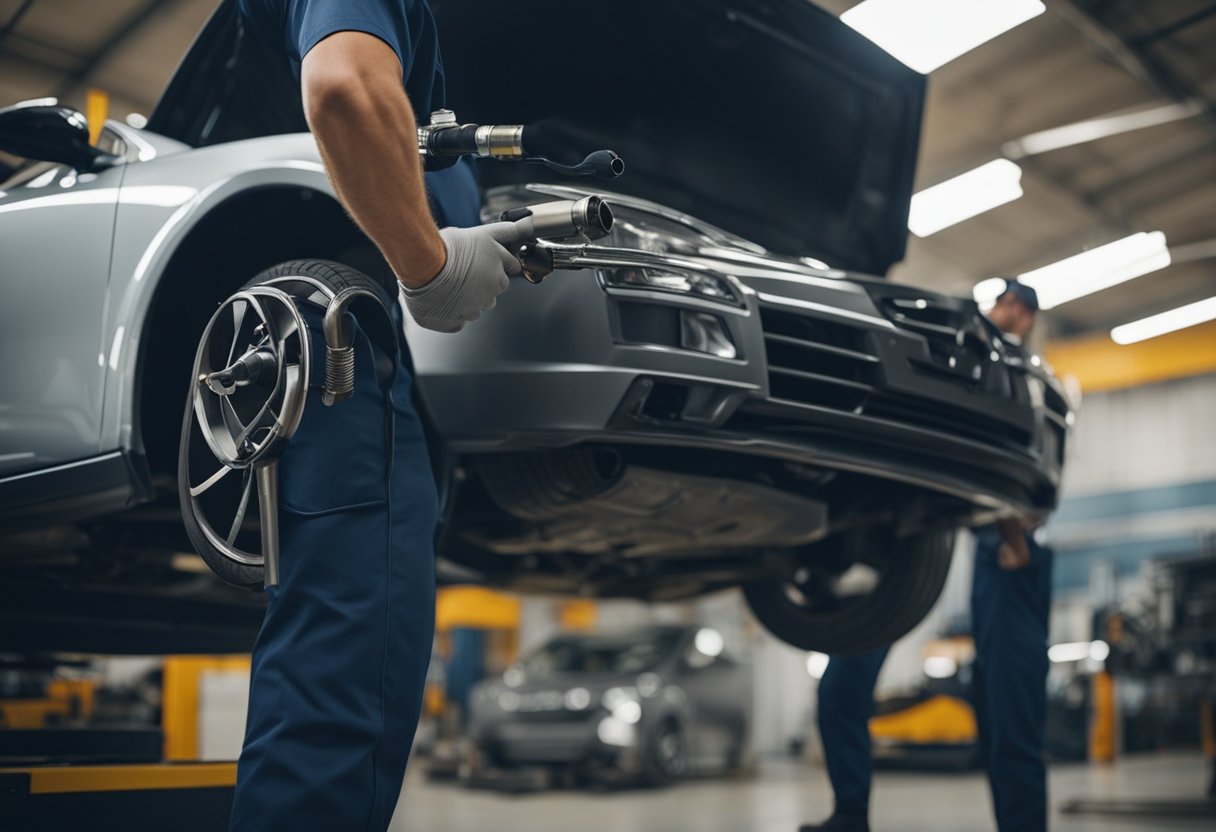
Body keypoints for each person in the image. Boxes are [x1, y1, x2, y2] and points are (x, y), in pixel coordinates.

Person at [228, 1, 524, 829]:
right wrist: (429, 266)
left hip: (368, 364)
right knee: (343, 682)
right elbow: (346, 89)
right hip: (340, 342)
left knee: (351, 663)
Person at [801, 280, 1054, 832]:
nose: (1009, 315)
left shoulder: (1020, 378)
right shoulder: (963, 351)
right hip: (909, 543)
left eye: (1019, 311)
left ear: (1027, 317)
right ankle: (849, 812)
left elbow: (1008, 471)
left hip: (1000, 552)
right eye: (1005, 306)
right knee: (841, 689)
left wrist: (1013, 538)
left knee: (1009, 712)